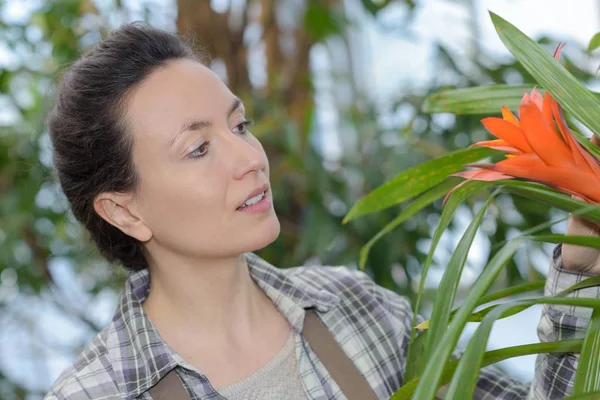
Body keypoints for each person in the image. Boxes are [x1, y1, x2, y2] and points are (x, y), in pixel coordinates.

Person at [43, 23, 600, 400]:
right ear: (124, 210)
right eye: (198, 149)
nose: (250, 158)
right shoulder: (97, 391)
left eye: (239, 126)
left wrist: (581, 263)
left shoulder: (359, 310)